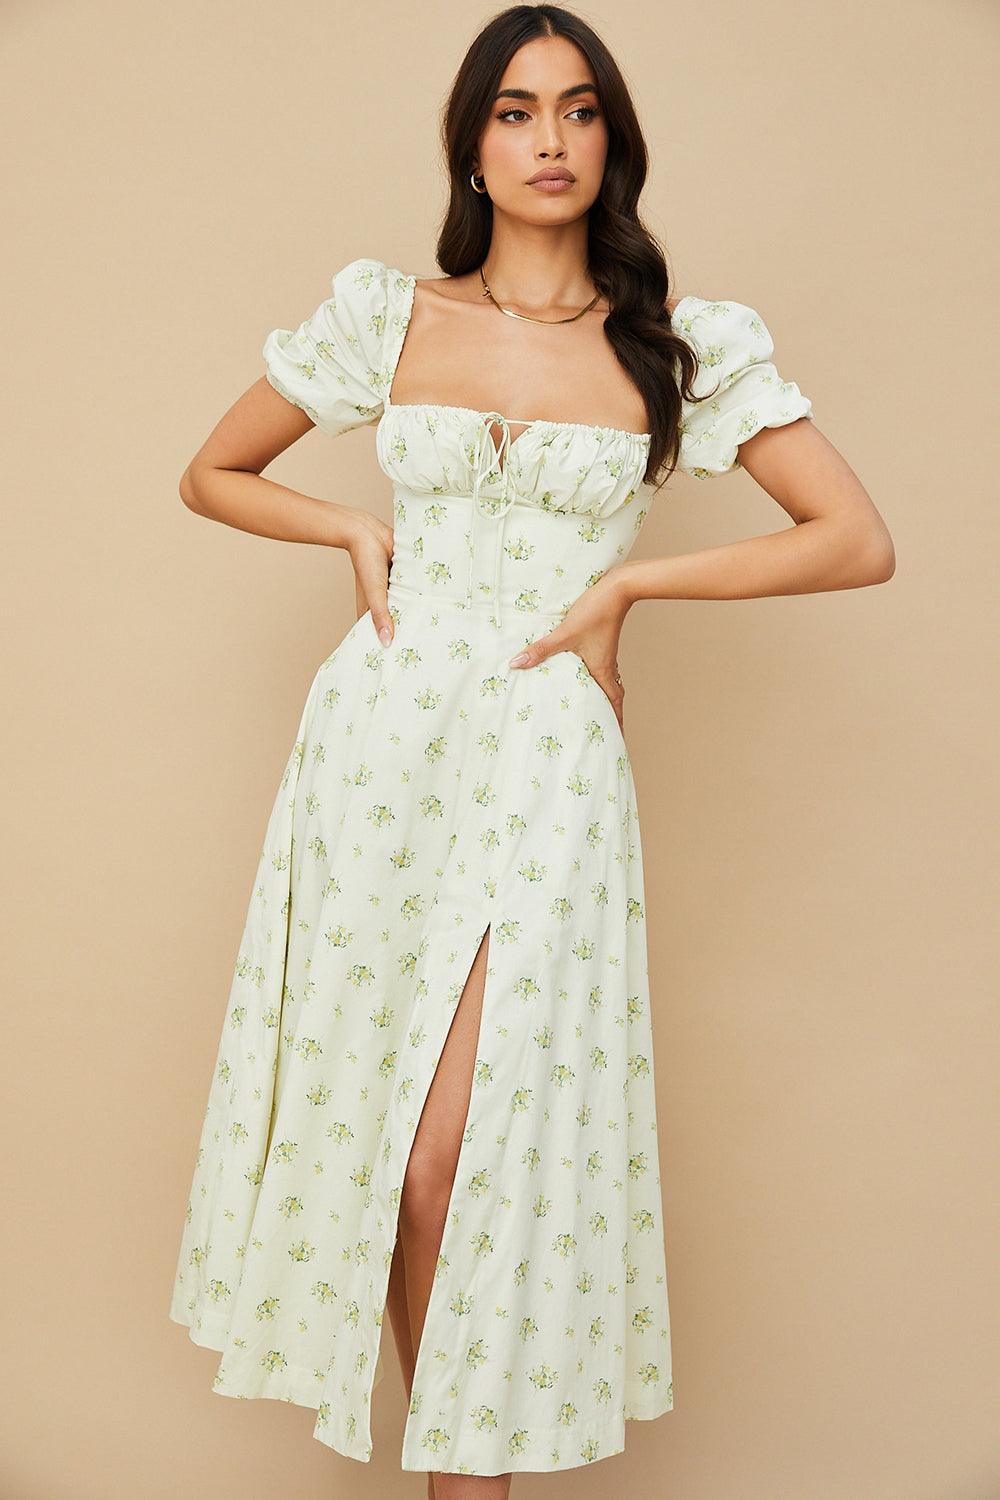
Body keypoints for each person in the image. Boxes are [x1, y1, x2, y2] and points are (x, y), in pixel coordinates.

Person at [169, 6, 894, 1497]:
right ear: (473, 148)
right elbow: (212, 473)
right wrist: (348, 528)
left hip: (549, 759)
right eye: (514, 111)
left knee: (463, 1154)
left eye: (577, 110)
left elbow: (854, 539)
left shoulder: (679, 347)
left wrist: (627, 589)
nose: (549, 139)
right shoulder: (391, 318)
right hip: (378, 747)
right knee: (383, 1164)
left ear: (614, 141)